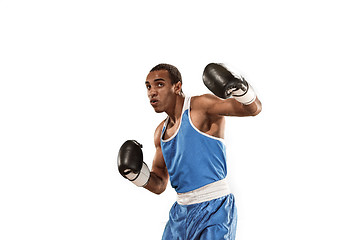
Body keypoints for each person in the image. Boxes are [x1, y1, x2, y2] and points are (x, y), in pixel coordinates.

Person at [117, 63, 262, 239]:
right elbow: (159, 184)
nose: (152, 92)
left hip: (214, 209)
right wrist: (136, 176)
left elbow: (252, 109)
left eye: (159, 84)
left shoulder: (201, 107)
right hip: (181, 214)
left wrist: (241, 89)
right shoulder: (160, 133)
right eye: (148, 86)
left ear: (177, 86)